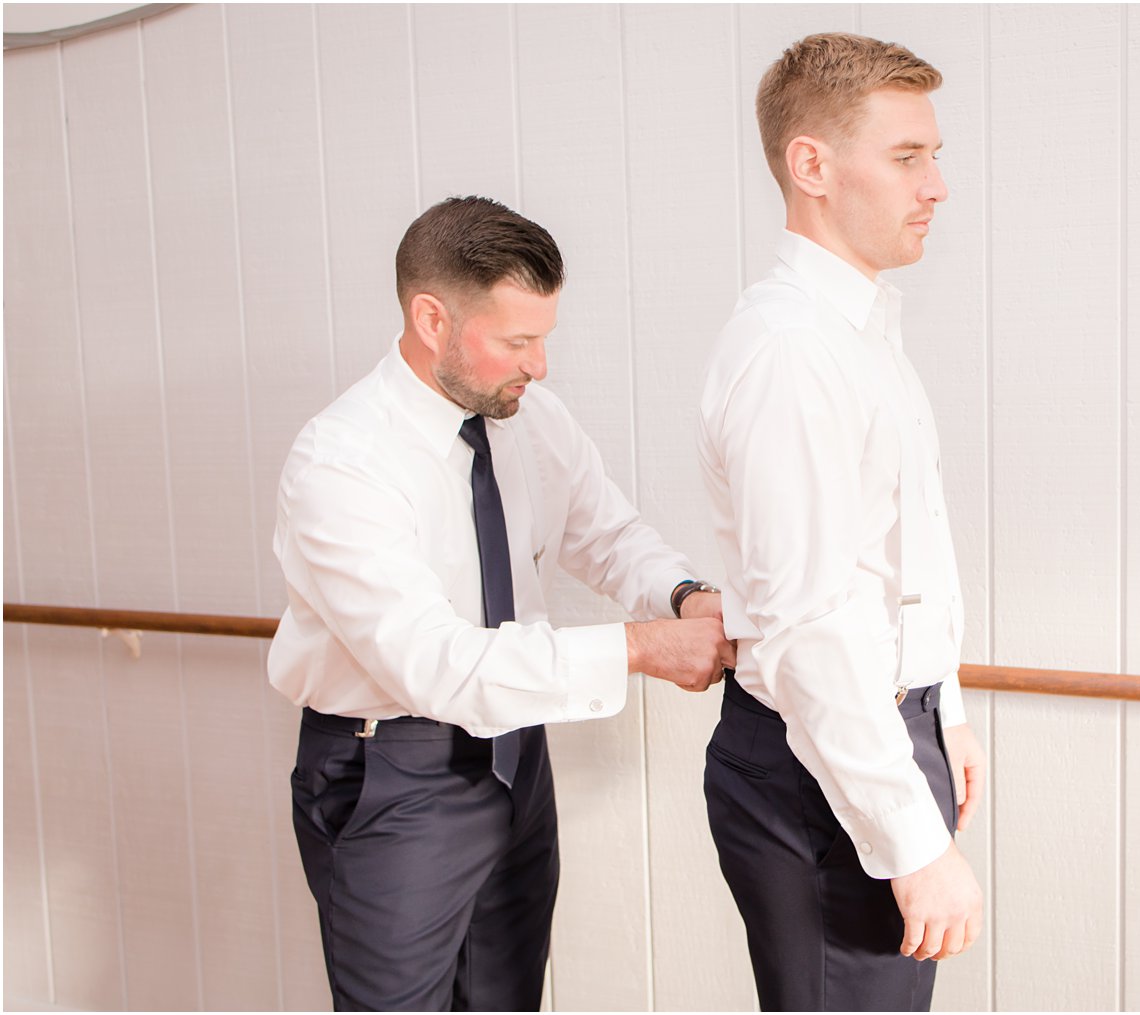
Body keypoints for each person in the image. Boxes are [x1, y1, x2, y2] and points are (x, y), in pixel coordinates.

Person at [269, 195, 733, 1011]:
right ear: (431, 318)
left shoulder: (527, 416)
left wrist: (685, 595)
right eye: (518, 341)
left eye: (544, 337)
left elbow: (606, 532)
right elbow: (435, 665)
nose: (541, 365)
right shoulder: (340, 464)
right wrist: (639, 647)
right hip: (394, 773)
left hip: (517, 761)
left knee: (506, 999)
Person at [697, 33, 987, 1012]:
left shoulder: (859, 335)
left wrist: (940, 709)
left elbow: (896, 554)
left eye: (933, 154)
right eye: (907, 156)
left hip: (882, 732)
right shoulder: (789, 352)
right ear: (809, 165)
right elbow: (807, 626)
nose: (936, 184)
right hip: (818, 758)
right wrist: (911, 838)